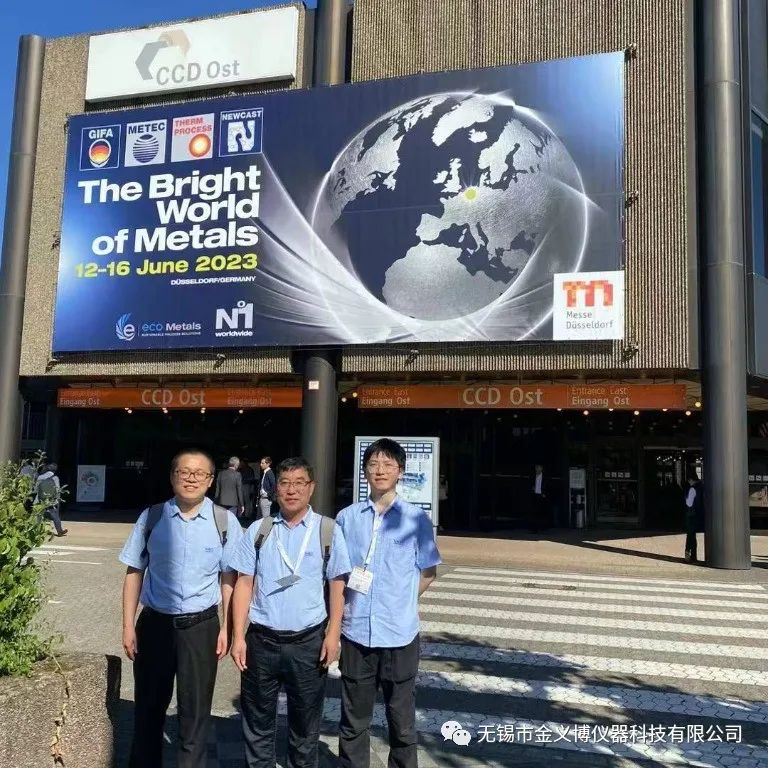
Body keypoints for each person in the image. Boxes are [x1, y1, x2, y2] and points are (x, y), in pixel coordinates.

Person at [119, 449, 243, 768]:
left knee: (195, 714)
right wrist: (128, 625)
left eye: (199, 473)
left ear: (211, 480)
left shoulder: (224, 521)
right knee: (148, 710)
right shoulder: (152, 517)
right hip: (155, 625)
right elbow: (134, 571)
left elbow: (229, 578)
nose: (191, 479)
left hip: (201, 628)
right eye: (184, 472)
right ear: (173, 476)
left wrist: (227, 628)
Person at [229, 457, 350, 768]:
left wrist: (333, 634)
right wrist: (237, 636)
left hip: (308, 641)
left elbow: (337, 585)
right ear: (276, 488)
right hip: (261, 640)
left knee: (306, 724)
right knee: (257, 720)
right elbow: (244, 583)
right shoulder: (259, 530)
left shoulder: (327, 530)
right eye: (284, 483)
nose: (291, 490)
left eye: (299, 483)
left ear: (311, 488)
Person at [335, 438, 441, 768]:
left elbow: (428, 572)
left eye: (388, 464)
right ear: (364, 471)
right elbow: (338, 574)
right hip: (356, 632)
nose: (380, 470)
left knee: (402, 722)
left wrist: (401, 601)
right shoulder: (347, 518)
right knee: (353, 722)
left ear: (400, 472)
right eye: (373, 464)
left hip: (399, 634)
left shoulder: (416, 519)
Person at [35, 462, 66, 537]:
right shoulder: (55, 478)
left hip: (40, 499)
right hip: (52, 500)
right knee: (55, 516)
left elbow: (36, 489)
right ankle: (60, 532)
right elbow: (57, 490)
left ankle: (36, 532)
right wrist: (58, 500)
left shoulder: (40, 477)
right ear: (55, 470)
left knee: (39, 516)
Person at [684, 476, 704, 563]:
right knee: (692, 537)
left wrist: (686, 498)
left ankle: (689, 555)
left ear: (691, 480)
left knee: (690, 536)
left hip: (691, 515)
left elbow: (689, 503)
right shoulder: (701, 488)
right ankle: (693, 556)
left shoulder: (692, 489)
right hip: (698, 514)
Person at [530, 463, 548, 533]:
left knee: (542, 512)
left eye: (539, 467)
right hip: (534, 495)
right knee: (534, 512)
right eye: (536, 467)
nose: (537, 469)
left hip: (541, 496)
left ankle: (542, 528)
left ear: (542, 468)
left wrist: (544, 494)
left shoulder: (544, 477)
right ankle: (534, 528)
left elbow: (547, 486)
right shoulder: (533, 476)